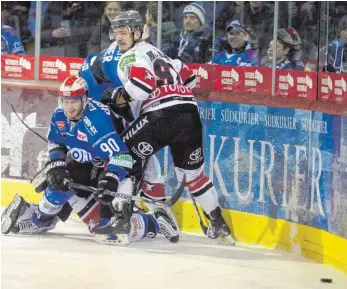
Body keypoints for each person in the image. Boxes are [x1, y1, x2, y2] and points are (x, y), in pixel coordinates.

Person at [100, 10, 234, 242]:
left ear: (138, 32)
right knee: (193, 174)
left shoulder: (129, 57)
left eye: (124, 32)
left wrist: (117, 96)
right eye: (116, 33)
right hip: (188, 114)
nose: (118, 38)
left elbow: (141, 86)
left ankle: (122, 220)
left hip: (159, 115)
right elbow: (189, 77)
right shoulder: (163, 55)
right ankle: (218, 222)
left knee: (125, 156)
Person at [1, 76, 179, 245]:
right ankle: (40, 219)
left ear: (84, 99)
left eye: (74, 102)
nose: (69, 107)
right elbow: (56, 141)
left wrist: (110, 180)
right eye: (66, 102)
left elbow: (123, 157)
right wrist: (56, 164)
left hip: (127, 166)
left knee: (112, 233)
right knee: (60, 179)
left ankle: (153, 220)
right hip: (95, 163)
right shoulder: (59, 115)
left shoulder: (97, 120)